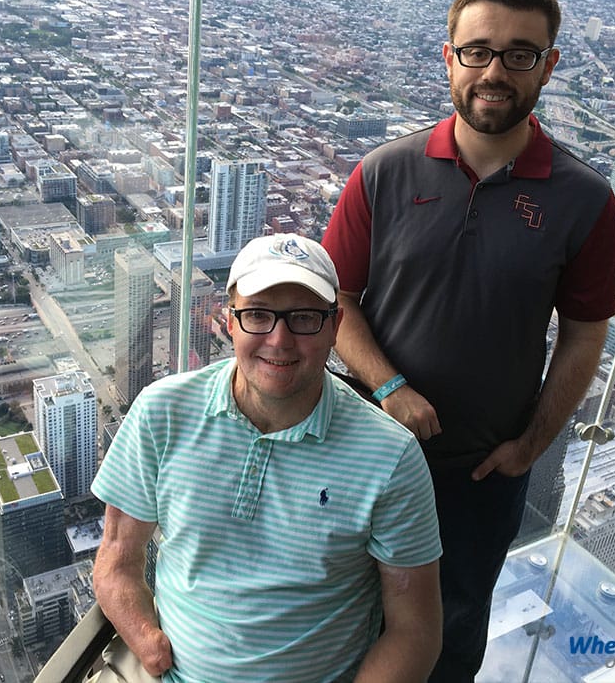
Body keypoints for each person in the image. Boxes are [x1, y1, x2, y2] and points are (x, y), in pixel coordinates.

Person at [321, 0, 615, 681]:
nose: (495, 70)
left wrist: (530, 446)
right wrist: (388, 384)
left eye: (520, 53)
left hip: (480, 474)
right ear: (449, 57)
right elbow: (336, 300)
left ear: (549, 65)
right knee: (336, 604)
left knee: (453, 630)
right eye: (477, 50)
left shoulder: (585, 200)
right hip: (364, 450)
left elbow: (584, 335)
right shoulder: (383, 172)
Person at [91, 233, 443, 683]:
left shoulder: (390, 457)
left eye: (303, 318)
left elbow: (416, 632)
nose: (279, 340)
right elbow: (116, 560)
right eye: (258, 315)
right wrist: (148, 644)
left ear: (335, 326)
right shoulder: (162, 411)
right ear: (230, 321)